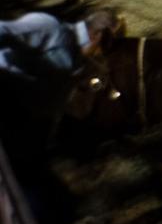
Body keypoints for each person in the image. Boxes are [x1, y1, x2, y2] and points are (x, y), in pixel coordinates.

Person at [1, 9, 124, 153]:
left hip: (21, 132)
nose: (107, 56)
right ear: (98, 35)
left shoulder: (81, 63)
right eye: (108, 46)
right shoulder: (49, 26)